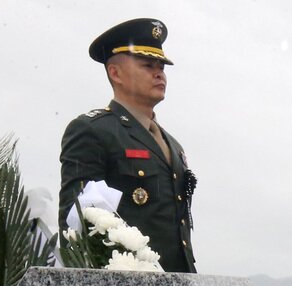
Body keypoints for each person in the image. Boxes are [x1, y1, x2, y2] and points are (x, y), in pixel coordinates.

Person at [59, 18, 196, 272]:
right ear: (115, 73)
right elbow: (75, 224)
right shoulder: (93, 131)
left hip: (179, 283)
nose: (159, 73)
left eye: (161, 67)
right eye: (147, 65)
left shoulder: (173, 145)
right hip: (126, 285)